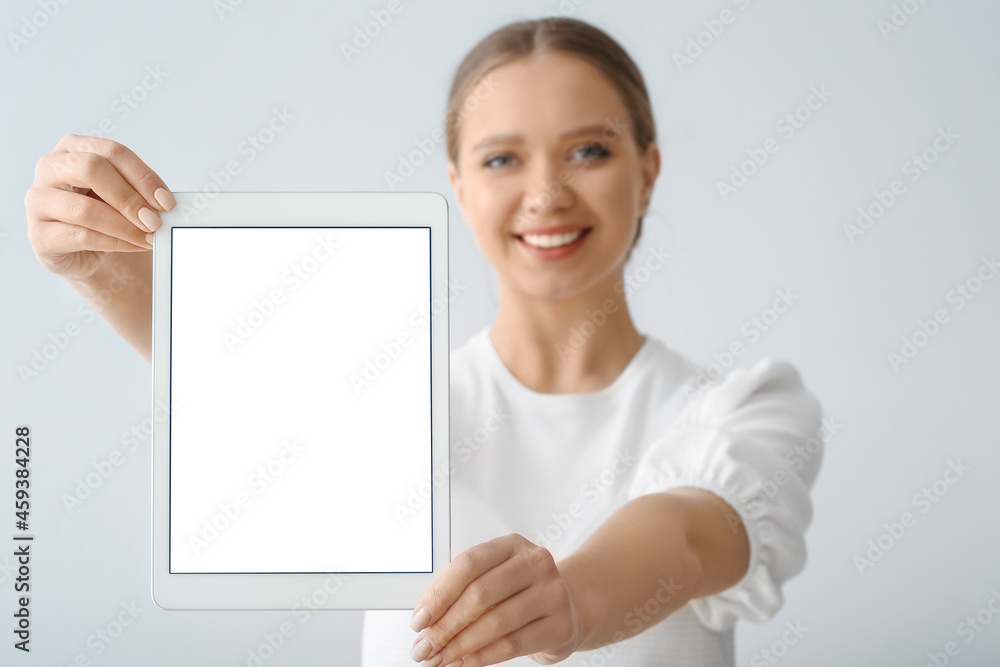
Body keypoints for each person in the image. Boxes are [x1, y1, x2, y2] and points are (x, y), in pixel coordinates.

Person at [24, 17, 823, 667]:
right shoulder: (388, 401)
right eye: (502, 157)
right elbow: (245, 390)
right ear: (459, 186)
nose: (545, 193)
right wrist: (98, 268)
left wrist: (569, 601)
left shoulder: (747, 410)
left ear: (646, 171)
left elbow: (687, 533)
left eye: (589, 150)